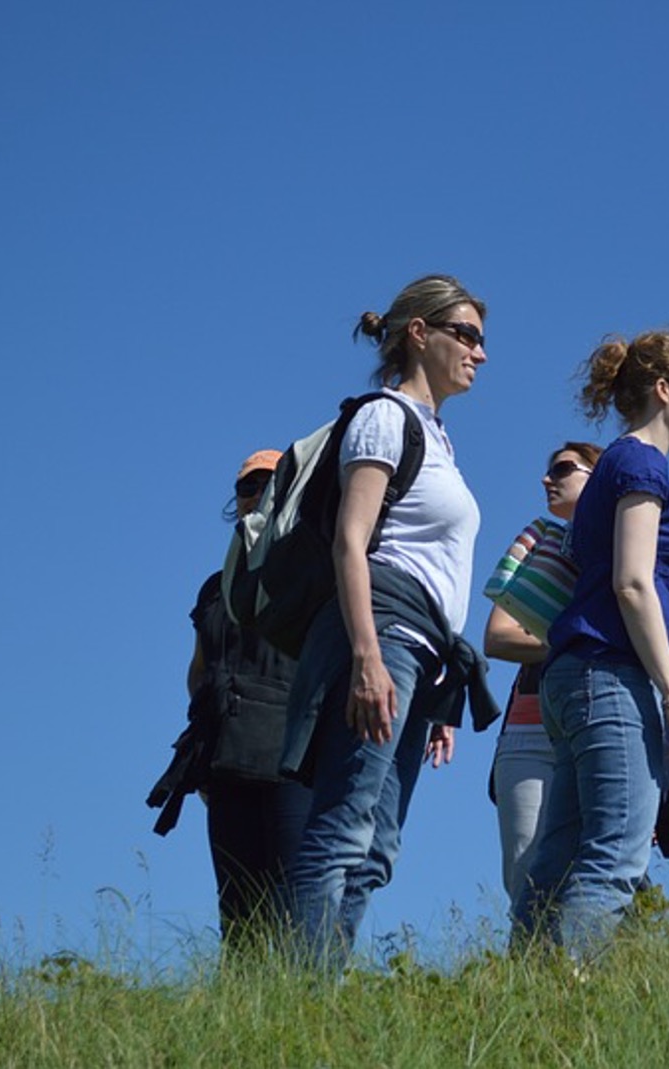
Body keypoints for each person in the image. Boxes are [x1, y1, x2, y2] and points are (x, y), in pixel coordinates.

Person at [282, 274, 498, 967]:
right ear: (419, 333)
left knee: (376, 849)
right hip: (384, 635)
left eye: (481, 340)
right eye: (466, 334)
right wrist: (369, 656)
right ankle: (300, 1001)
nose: (480, 353)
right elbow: (353, 540)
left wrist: (436, 697)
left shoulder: (438, 437)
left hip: (422, 653)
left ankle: (321, 990)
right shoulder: (384, 417)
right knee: (343, 828)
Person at [515, 330, 669, 956]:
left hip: (578, 677)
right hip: (611, 676)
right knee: (614, 857)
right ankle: (571, 1006)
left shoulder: (617, 466)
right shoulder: (642, 464)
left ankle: (521, 997)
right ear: (663, 390)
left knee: (559, 854)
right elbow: (632, 583)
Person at [146, 449, 311, 953]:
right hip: (230, 760)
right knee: (238, 911)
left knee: (297, 903)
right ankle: (243, 1012)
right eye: (248, 486)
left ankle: (306, 1013)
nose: (257, 494)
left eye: (272, 483)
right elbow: (200, 671)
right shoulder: (216, 589)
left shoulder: (316, 571)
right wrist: (205, 746)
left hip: (296, 757)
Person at [482, 440, 603, 913]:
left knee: (595, 872)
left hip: (597, 722)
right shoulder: (538, 541)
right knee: (528, 873)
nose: (547, 479)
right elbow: (498, 636)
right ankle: (531, 978)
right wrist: (581, 640)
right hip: (531, 730)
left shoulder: (625, 548)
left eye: (564, 469)